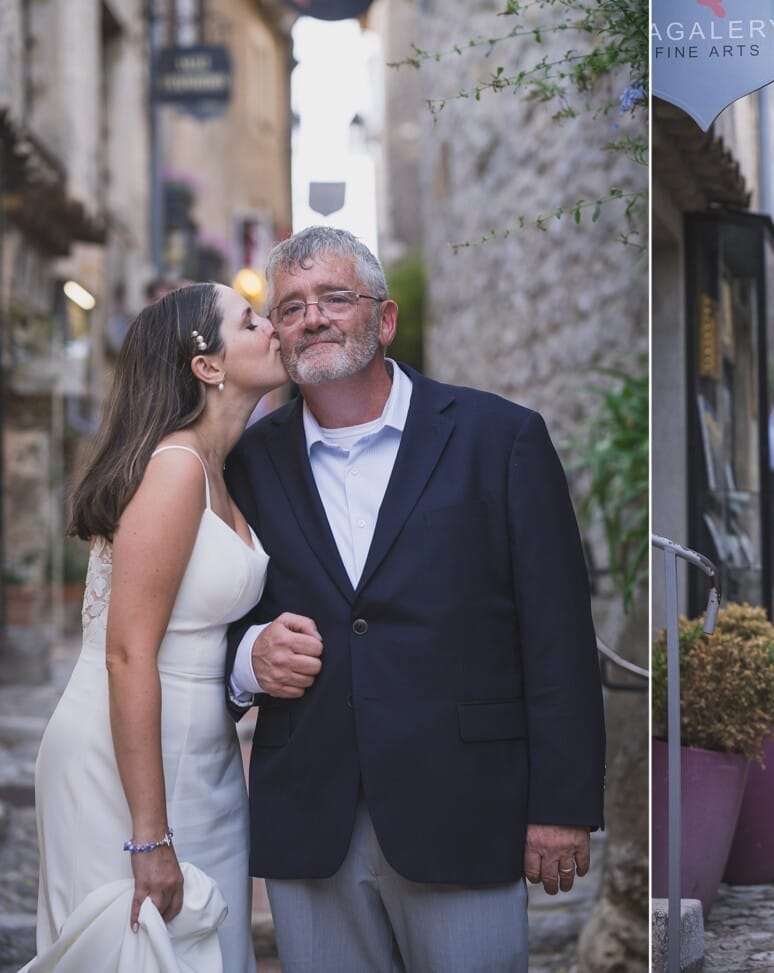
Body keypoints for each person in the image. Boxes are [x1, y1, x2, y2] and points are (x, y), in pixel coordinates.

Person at [223, 225, 606, 972]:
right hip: (311, 814)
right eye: (292, 306)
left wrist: (561, 806)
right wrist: (248, 657)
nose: (313, 317)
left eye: (335, 297)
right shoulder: (246, 462)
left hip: (465, 808)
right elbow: (214, 617)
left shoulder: (502, 439)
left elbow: (557, 633)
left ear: (384, 318)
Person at [27, 283, 287, 971]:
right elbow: (126, 652)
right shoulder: (175, 469)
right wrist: (150, 836)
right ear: (207, 365)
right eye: (253, 320)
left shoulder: (221, 467)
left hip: (205, 754)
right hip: (125, 762)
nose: (274, 329)